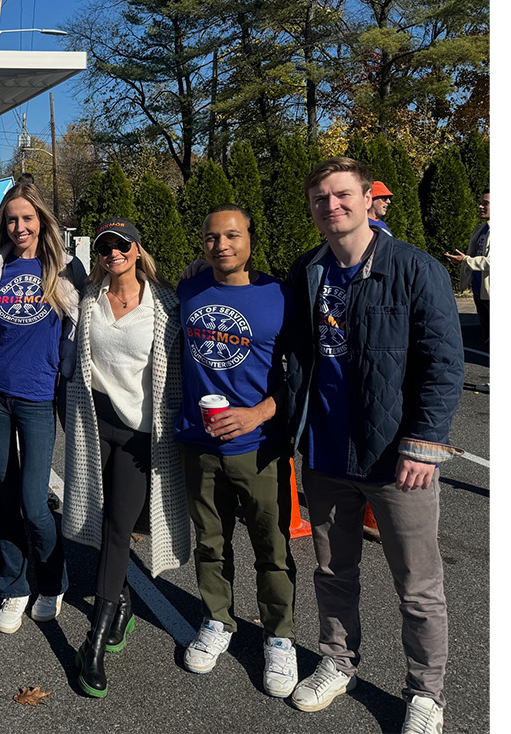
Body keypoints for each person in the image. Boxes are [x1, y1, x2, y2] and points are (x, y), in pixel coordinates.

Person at [280, 157, 463, 732]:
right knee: (333, 573)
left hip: (396, 458)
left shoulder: (414, 268)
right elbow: (291, 354)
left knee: (418, 587)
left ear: (367, 200)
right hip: (326, 453)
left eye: (341, 196)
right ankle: (338, 662)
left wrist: (424, 443)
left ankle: (425, 693)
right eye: (319, 199)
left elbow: (443, 363)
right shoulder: (307, 271)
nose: (330, 207)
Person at [60, 218, 189, 698]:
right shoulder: (88, 300)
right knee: (103, 523)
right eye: (105, 247)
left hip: (141, 435)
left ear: (138, 250)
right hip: (96, 426)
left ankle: (93, 639)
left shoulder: (165, 305)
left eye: (122, 245)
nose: (113, 253)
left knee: (119, 527)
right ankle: (121, 603)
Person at [174, 205, 299, 699]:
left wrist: (259, 413)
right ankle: (217, 619)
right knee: (210, 541)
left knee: (272, 547)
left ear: (250, 238)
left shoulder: (279, 296)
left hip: (258, 445)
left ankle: (280, 636)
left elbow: (300, 375)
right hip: (199, 443)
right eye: (211, 237)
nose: (221, 245)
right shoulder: (188, 289)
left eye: (231, 235)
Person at [0, 181, 85, 635]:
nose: (20, 227)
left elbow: (115, 292)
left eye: (28, 218)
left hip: (38, 397)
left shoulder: (65, 268)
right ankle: (13, 586)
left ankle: (52, 581)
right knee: (5, 492)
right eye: (12, 219)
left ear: (42, 220)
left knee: (35, 502)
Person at [444, 189, 490, 350]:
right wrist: (463, 262)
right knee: (486, 329)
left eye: (486, 203)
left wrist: (466, 260)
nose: (480, 206)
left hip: (491, 291)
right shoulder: (481, 228)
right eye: (481, 202)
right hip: (479, 289)